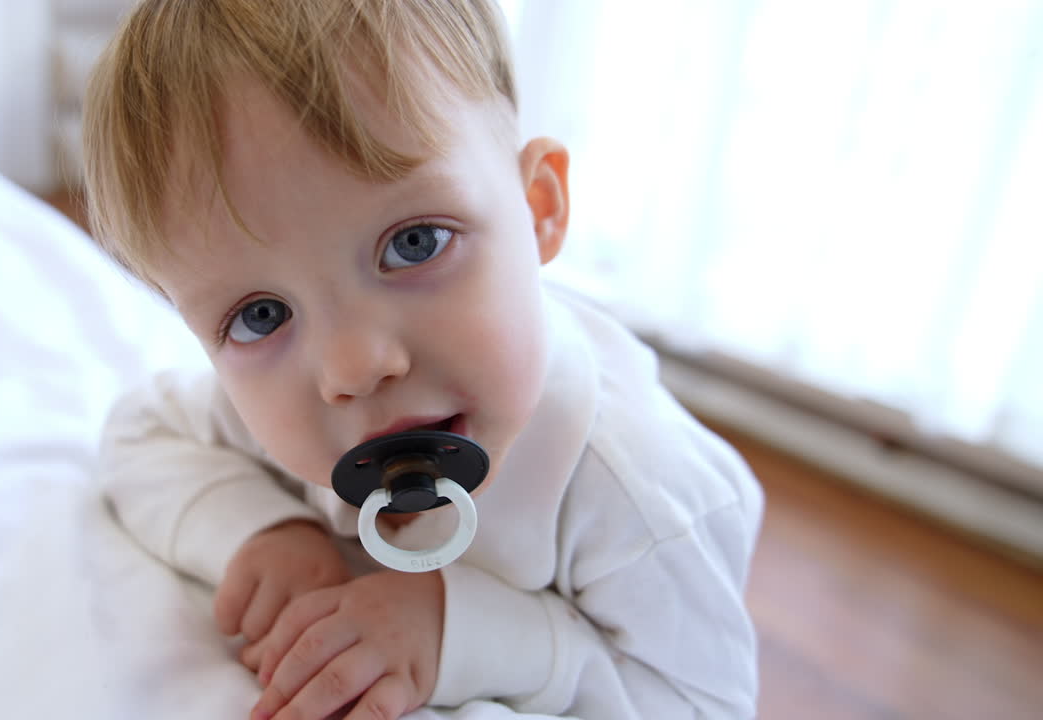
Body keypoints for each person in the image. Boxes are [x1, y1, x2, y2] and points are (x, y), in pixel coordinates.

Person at [82, 1, 764, 718]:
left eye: (415, 243)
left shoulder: (638, 502)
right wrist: (263, 530)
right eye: (262, 315)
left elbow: (698, 704)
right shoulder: (287, 403)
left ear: (538, 211)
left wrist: (466, 632)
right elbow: (139, 433)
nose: (352, 368)